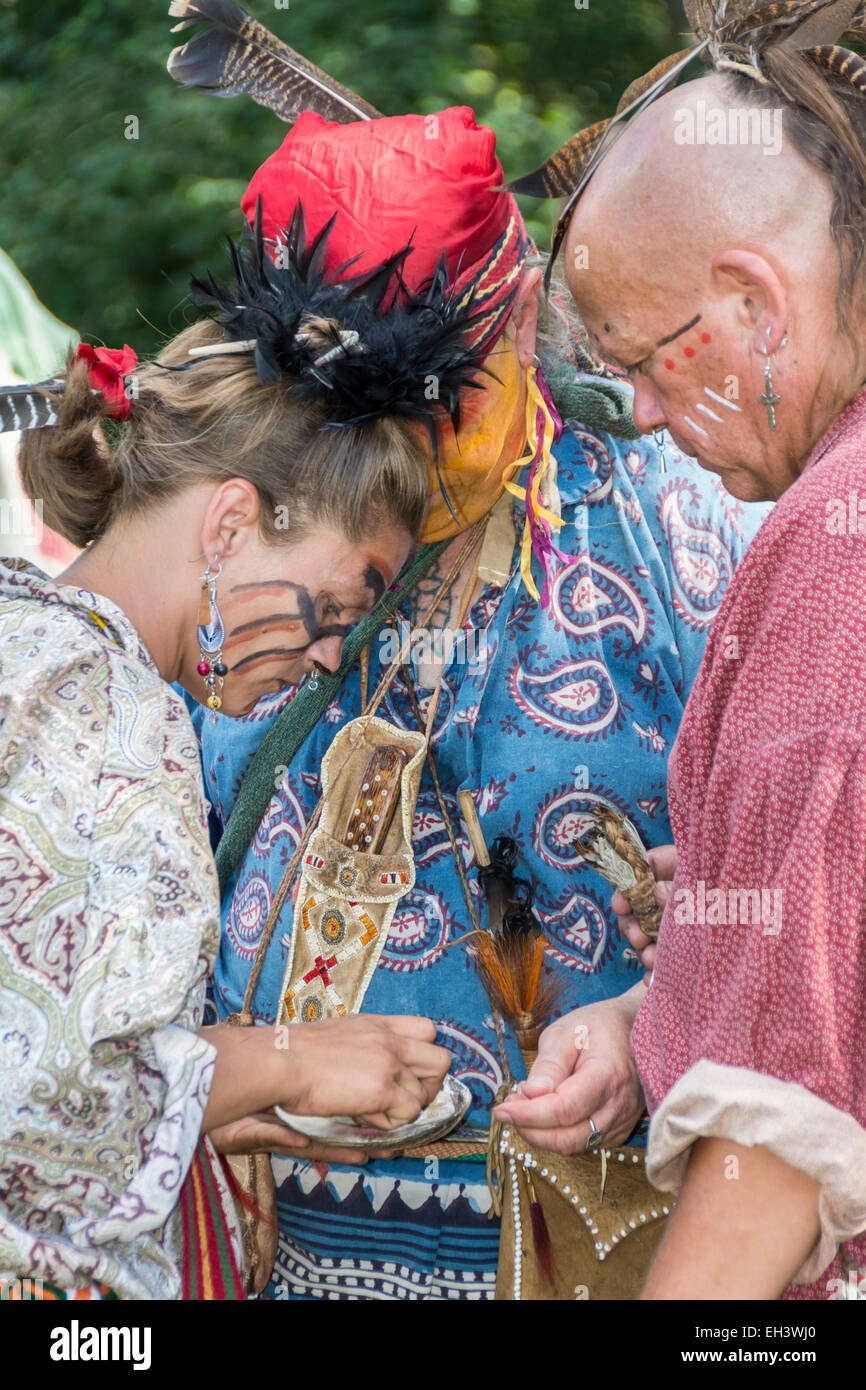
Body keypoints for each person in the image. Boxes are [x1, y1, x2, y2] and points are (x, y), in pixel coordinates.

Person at [168, 9, 769, 1298]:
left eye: (443, 397)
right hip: (272, 1241)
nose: (404, 446)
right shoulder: (226, 552)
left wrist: (665, 1003)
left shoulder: (701, 529)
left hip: (614, 1244)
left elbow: (811, 898)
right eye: (352, 407)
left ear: (525, 316)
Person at [0, 225, 461, 1298]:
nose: (328, 656)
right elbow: (39, 1095)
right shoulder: (102, 705)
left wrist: (221, 1097)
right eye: (338, 601)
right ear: (230, 523)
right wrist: (295, 1059)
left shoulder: (32, 645)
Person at [529, 0, 866, 1300]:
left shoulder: (835, 548)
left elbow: (780, 1135)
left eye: (645, 364)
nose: (650, 415)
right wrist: (704, 944)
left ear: (754, 300)